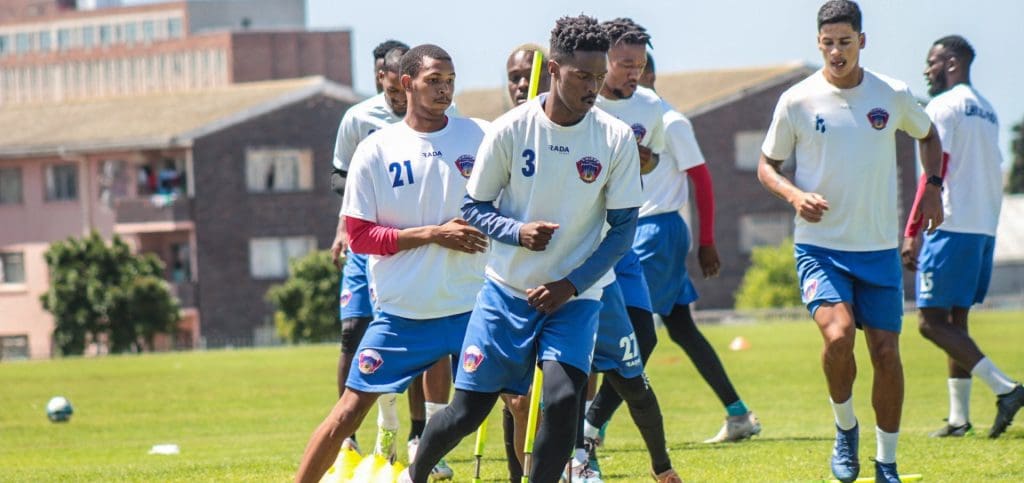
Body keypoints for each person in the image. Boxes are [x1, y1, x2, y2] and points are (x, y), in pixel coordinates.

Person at [401, 15, 644, 483]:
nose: (593, 87)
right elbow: (473, 207)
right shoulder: (511, 130)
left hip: (574, 298)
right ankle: (415, 475)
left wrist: (571, 285)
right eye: (582, 75)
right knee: (467, 411)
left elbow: (622, 231)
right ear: (554, 70)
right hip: (507, 291)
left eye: (599, 76)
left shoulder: (614, 137)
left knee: (563, 399)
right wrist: (517, 232)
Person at [757, 2, 944, 481]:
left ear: (862, 41)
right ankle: (845, 429)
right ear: (818, 44)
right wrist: (795, 195)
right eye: (828, 43)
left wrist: (932, 187)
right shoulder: (797, 100)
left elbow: (929, 136)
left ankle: (887, 463)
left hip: (878, 250)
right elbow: (766, 166)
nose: (836, 51)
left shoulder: (892, 94)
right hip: (820, 249)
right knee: (838, 336)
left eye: (845, 41)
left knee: (886, 354)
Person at [294, 43, 489, 483]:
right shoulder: (375, 149)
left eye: (450, 81)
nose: (444, 90)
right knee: (348, 412)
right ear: (406, 83)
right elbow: (362, 237)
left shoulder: (480, 135)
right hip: (404, 316)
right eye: (433, 81)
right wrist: (434, 234)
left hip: (473, 308)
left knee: (520, 400)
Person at [902, 35, 1023, 439]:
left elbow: (934, 170)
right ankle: (958, 420)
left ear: (951, 63)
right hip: (983, 228)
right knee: (956, 321)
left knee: (929, 322)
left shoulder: (942, 106)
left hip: (950, 225)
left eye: (932, 61)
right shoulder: (987, 110)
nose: (926, 70)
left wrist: (912, 232)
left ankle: (1007, 389)